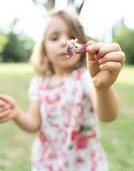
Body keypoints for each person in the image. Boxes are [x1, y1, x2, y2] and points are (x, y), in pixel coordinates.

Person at [0, 9, 125, 171]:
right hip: (48, 163)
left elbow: (108, 115)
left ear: (83, 47)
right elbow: (34, 123)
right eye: (54, 37)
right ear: (44, 48)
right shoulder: (39, 83)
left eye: (72, 36)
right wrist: (16, 113)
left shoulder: (84, 78)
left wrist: (103, 87)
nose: (65, 42)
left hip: (85, 164)